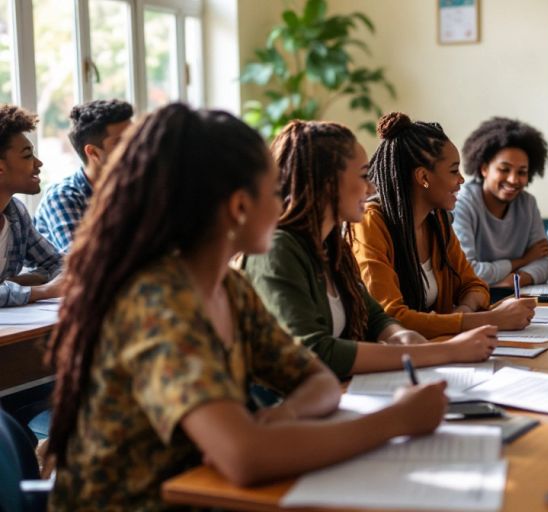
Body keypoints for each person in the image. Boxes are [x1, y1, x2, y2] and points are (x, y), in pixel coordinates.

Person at [46, 104, 448, 509]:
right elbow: (244, 456)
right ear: (239, 207)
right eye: (275, 191)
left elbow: (317, 380)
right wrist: (396, 421)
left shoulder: (229, 287)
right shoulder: (158, 300)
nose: (284, 204)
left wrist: (280, 418)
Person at [243, 120, 497, 378]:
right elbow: (314, 351)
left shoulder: (332, 245)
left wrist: (398, 334)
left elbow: (375, 315)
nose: (372, 188)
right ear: (329, 182)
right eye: (364, 176)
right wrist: (446, 351)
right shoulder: (277, 249)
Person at [352, 112, 535, 339]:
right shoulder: (369, 224)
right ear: (423, 177)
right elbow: (391, 318)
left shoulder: (437, 221)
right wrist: (488, 319)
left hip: (439, 346)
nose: (461, 179)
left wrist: (464, 312)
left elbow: (475, 286)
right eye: (453, 170)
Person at [452, 117, 548, 287]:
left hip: (514, 295)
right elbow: (467, 270)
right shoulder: (462, 203)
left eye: (522, 172)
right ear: (484, 169)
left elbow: (545, 261)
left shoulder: (527, 204)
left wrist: (514, 281)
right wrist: (523, 260)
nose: (513, 180)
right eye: (504, 169)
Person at [34, 99, 133, 253]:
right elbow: (84, 263)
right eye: (121, 142)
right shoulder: (63, 197)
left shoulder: (134, 188)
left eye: (135, 137)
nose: (135, 146)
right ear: (93, 153)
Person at [0, 104, 62, 306]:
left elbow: (58, 263)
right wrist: (44, 290)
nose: (38, 163)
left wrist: (14, 283)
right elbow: (51, 286)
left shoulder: (16, 213)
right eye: (27, 155)